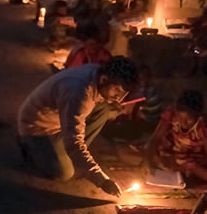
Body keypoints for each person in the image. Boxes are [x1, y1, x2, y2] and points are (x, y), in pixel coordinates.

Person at [17, 57, 139, 196]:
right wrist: (102, 180)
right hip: (37, 128)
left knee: (104, 109)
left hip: (58, 120)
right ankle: (30, 147)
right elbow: (74, 143)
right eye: (117, 90)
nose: (119, 98)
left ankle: (74, 158)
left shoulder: (96, 73)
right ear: (104, 79)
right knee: (64, 173)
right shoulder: (79, 93)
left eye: (123, 94)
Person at [145, 90, 207, 190]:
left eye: (188, 119)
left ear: (198, 115)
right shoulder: (172, 115)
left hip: (195, 159)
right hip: (176, 154)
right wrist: (147, 162)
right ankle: (180, 174)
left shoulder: (202, 127)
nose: (183, 123)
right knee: (156, 156)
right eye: (180, 118)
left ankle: (188, 174)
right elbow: (155, 139)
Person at [98, 64, 164, 145]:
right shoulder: (148, 89)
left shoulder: (146, 91)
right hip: (147, 123)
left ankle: (117, 140)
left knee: (111, 128)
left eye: (139, 79)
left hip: (148, 125)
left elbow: (128, 107)